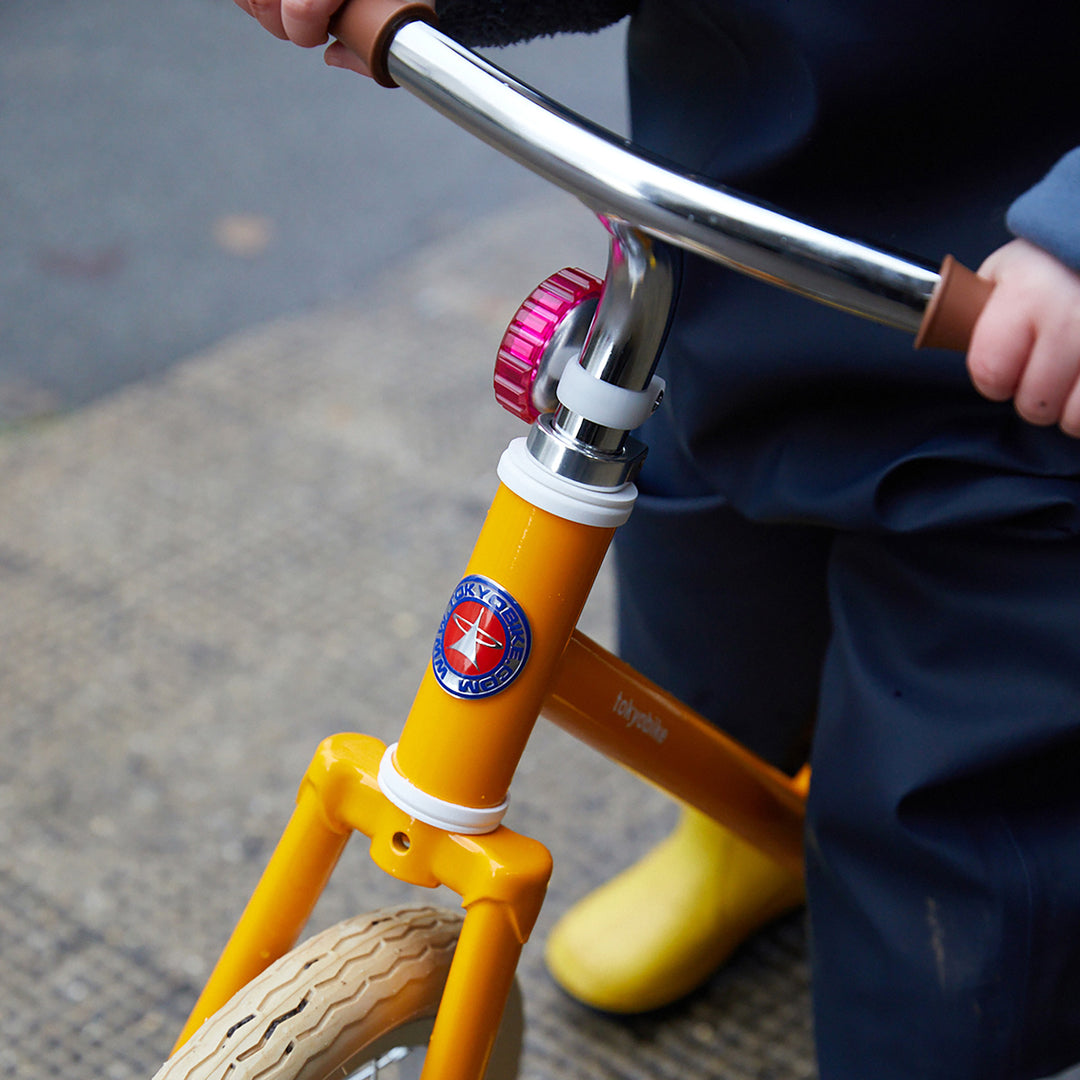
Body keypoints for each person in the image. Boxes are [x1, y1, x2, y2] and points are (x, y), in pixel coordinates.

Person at [232, 1, 1080, 1076]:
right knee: (703, 641)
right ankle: (743, 830)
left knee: (951, 840)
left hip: (1012, 372)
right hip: (730, 259)